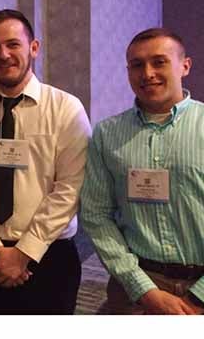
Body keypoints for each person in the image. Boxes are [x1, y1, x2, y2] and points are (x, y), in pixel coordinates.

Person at [0, 9, 91, 314]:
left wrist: (25, 253)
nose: (3, 54)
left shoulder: (66, 108)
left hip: (49, 256)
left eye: (13, 44)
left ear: (33, 48)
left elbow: (70, 188)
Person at [80, 28, 204, 315]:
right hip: (135, 285)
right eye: (137, 65)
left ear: (184, 66)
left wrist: (197, 298)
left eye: (159, 62)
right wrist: (143, 290)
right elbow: (95, 215)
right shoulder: (107, 134)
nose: (147, 73)